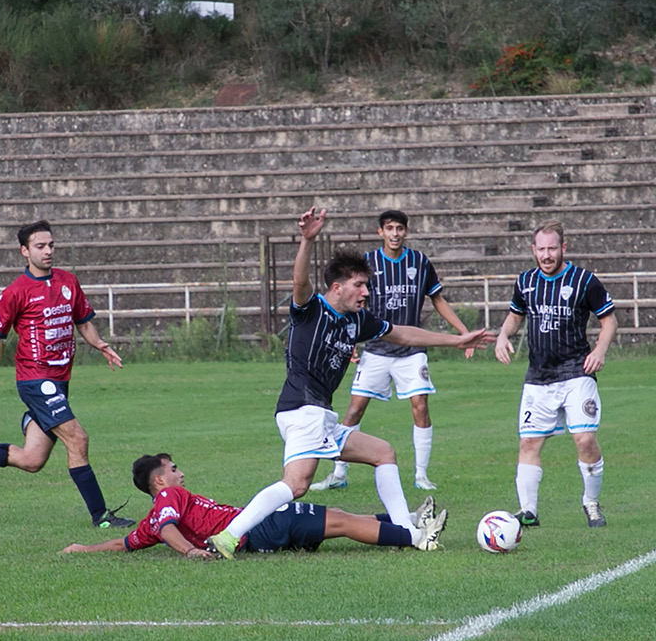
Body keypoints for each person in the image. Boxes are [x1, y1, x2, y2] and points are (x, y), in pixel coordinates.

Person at [204, 207, 493, 559]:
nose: (366, 292)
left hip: (319, 414)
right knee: (296, 484)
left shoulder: (357, 320)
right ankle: (229, 537)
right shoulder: (311, 309)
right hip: (303, 409)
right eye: (359, 285)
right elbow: (299, 281)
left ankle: (407, 531)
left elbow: (402, 334)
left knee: (383, 453)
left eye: (367, 285)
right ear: (337, 287)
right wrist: (307, 241)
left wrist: (457, 340)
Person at [0, 219, 134, 529]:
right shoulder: (16, 291)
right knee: (78, 439)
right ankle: (101, 516)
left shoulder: (68, 281)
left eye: (51, 245)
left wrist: (100, 344)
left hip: (59, 381)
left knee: (32, 460)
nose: (48, 251)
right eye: (40, 246)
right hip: (35, 380)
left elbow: (82, 321)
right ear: (25, 251)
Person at [313, 210, 472, 492]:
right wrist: (350, 341)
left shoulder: (419, 262)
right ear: (381, 232)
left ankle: (421, 476)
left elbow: (437, 299)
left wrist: (463, 332)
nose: (395, 233)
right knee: (355, 409)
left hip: (411, 350)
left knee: (420, 406)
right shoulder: (368, 263)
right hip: (376, 348)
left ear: (406, 232)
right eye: (389, 228)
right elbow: (355, 304)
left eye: (399, 228)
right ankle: (338, 474)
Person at [61, 453, 446, 557]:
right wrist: (191, 552)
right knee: (340, 523)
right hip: (259, 527)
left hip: (257, 530)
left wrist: (84, 549)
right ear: (159, 480)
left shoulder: (155, 515)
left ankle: (407, 520)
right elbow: (167, 528)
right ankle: (414, 538)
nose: (181, 474)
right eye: (174, 469)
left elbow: (125, 542)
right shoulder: (168, 498)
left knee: (338, 518)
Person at [494, 220, 616, 528]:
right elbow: (515, 316)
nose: (546, 255)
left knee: (584, 439)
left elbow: (609, 320)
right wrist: (503, 335)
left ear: (563, 248)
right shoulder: (525, 282)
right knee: (529, 444)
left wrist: (599, 351)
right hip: (538, 376)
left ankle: (591, 502)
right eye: (541, 249)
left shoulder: (584, 281)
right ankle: (528, 511)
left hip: (577, 372)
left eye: (552, 248)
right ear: (533, 250)